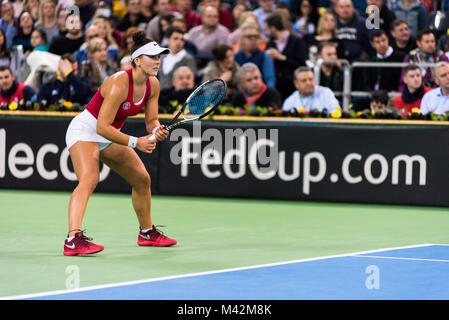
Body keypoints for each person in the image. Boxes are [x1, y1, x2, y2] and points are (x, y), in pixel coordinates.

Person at [63, 31, 176, 256]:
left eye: (159, 57)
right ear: (137, 60)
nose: (157, 61)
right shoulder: (118, 83)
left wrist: (156, 130)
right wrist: (136, 143)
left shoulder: (153, 85)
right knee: (90, 178)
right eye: (152, 57)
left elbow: (151, 121)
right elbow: (101, 127)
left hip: (109, 135)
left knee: (142, 179)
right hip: (86, 131)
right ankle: (73, 239)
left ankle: (146, 233)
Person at [265, 12, 307, 100]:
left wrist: (282, 57)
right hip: (276, 88)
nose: (266, 32)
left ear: (273, 28)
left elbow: (301, 64)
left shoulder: (297, 41)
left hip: (293, 87)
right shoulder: (270, 44)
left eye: (267, 29)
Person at [233, 24, 276, 88]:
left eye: (256, 36)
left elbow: (270, 81)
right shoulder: (236, 57)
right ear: (241, 39)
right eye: (249, 37)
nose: (253, 39)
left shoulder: (264, 56)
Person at [158, 26, 196, 92]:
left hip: (178, 98)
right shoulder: (161, 57)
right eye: (175, 39)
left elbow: (190, 83)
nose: (179, 42)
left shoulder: (188, 59)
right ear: (167, 40)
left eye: (182, 39)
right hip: (160, 96)